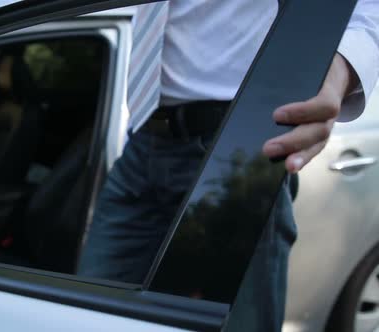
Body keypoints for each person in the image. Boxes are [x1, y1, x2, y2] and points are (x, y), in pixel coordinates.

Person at [77, 1, 379, 331]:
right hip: (144, 138)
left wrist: (334, 74)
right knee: (90, 317)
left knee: (239, 323)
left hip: (238, 143)